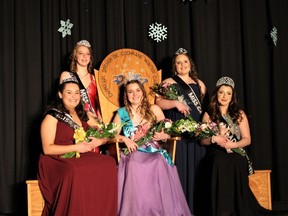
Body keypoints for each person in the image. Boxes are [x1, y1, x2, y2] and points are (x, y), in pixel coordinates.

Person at [194, 76, 288, 216]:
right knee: (217, 162)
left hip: (236, 150)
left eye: (228, 93)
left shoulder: (239, 114)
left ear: (232, 97)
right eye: (221, 92)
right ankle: (220, 210)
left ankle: (236, 208)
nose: (224, 96)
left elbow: (247, 139)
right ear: (216, 94)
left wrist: (233, 144)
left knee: (236, 161)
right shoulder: (209, 114)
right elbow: (202, 140)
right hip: (216, 151)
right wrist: (214, 138)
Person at [37, 79, 117, 216]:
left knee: (108, 162)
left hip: (79, 154)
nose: (73, 96)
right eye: (69, 92)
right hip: (57, 159)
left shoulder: (82, 114)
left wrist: (100, 140)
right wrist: (75, 148)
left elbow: (105, 132)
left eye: (76, 93)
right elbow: (47, 149)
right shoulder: (52, 116)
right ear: (60, 94)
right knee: (75, 170)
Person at [113, 79, 192, 216]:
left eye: (138, 90)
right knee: (132, 163)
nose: (134, 94)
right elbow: (111, 135)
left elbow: (168, 130)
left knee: (159, 160)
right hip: (133, 151)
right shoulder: (122, 113)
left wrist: (164, 135)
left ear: (143, 93)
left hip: (152, 150)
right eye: (130, 92)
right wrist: (125, 139)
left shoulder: (153, 109)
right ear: (126, 95)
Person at [155, 47, 208, 213]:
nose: (182, 65)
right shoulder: (168, 82)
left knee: (198, 168)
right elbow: (158, 103)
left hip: (195, 130)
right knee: (179, 167)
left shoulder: (200, 84)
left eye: (185, 61)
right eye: (178, 62)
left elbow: (203, 108)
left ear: (190, 64)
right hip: (177, 128)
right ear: (174, 66)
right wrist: (174, 103)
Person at [60, 39, 102, 152]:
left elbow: (99, 103)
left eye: (87, 54)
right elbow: (65, 100)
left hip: (92, 121)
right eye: (81, 53)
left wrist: (99, 119)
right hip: (76, 119)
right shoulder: (67, 75)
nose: (84, 56)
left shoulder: (95, 78)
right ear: (75, 56)